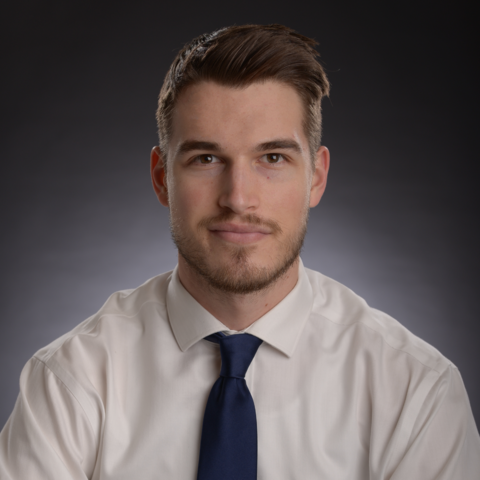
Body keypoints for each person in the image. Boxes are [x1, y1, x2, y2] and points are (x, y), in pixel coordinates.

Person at [0, 24, 479, 480]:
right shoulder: (71, 382)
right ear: (162, 176)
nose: (238, 197)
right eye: (206, 159)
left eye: (272, 158)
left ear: (316, 176)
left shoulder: (415, 391)